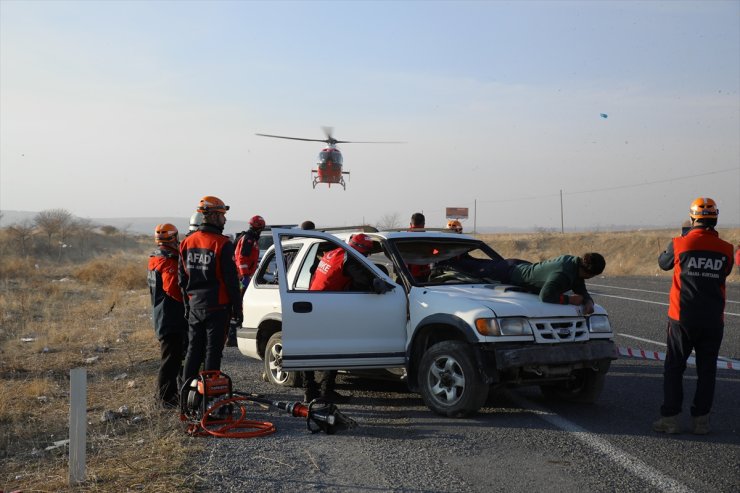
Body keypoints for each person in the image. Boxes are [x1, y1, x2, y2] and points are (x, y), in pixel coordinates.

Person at [653, 197, 734, 435]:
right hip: (712, 319)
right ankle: (701, 421)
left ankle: (670, 419)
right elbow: (726, 270)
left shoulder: (679, 243)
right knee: (707, 371)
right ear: (715, 219)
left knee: (674, 367)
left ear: (692, 218)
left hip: (682, 318)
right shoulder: (727, 249)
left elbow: (663, 264)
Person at [303, 233, 375, 403]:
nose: (366, 257)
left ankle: (309, 390)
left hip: (313, 302)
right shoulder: (350, 260)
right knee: (335, 349)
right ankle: (326, 391)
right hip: (327, 306)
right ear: (361, 250)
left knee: (306, 350)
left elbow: (313, 270)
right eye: (366, 254)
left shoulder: (333, 252)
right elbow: (365, 281)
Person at [178, 196, 242, 383]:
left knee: (193, 351)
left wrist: (187, 306)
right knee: (212, 352)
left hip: (195, 306)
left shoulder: (187, 242)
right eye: (222, 215)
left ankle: (187, 396)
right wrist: (238, 309)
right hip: (217, 307)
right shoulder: (222, 244)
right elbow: (231, 281)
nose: (225, 219)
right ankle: (210, 398)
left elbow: (182, 280)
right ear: (213, 216)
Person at [147, 223, 188, 408]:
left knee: (171, 358)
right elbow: (173, 289)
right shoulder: (167, 261)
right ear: (174, 237)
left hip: (163, 315)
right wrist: (191, 300)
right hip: (171, 317)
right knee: (170, 360)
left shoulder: (155, 258)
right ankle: (165, 398)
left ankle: (170, 395)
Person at [507, 253, 605, 314]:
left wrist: (589, 302)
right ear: (588, 273)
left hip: (520, 266)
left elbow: (581, 289)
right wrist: (569, 299)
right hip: (509, 274)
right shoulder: (563, 273)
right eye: (592, 276)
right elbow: (545, 295)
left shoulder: (576, 267)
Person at [226, 215, 266, 346]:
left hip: (242, 275)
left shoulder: (248, 238)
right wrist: (245, 276)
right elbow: (242, 258)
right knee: (239, 305)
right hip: (241, 277)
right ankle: (232, 337)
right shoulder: (248, 239)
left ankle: (233, 336)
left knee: (239, 305)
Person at [407, 212, 431, 282]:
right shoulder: (428, 239)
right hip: (423, 275)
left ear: (410, 224)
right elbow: (435, 251)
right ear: (423, 224)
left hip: (405, 275)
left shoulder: (402, 237)